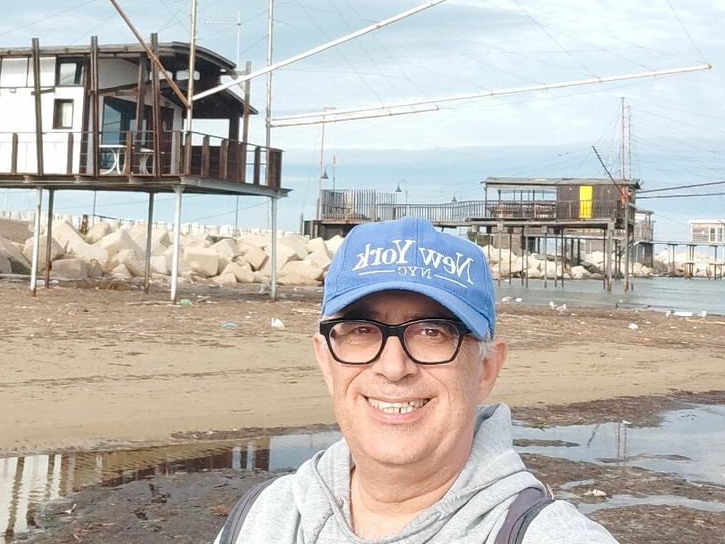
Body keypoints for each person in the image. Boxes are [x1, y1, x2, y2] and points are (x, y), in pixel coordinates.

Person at [217, 216, 617, 543]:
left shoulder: (549, 536)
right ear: (325, 362)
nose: (393, 367)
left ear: (485, 370)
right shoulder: (261, 519)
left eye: (432, 332)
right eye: (361, 330)